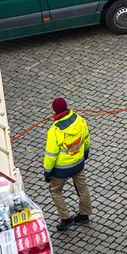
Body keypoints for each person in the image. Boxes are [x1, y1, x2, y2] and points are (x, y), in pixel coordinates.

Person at [44, 97, 90, 231]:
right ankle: (84, 214)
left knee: (55, 191)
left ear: (55, 111)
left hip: (61, 169)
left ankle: (65, 218)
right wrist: (85, 153)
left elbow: (51, 155)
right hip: (78, 162)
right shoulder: (79, 120)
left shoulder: (54, 130)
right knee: (82, 188)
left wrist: (47, 172)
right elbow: (86, 138)